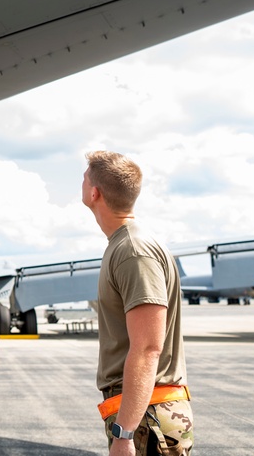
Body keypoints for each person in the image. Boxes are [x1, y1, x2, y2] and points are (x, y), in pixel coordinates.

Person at [81, 150, 194, 456]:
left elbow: (147, 348)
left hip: (149, 420)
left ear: (94, 193)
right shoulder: (125, 244)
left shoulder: (134, 251)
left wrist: (124, 432)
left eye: (84, 177)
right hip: (144, 413)